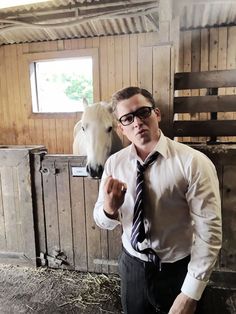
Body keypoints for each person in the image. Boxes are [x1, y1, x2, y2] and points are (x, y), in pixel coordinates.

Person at [93, 86, 222, 314]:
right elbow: (102, 221)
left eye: (144, 112)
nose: (138, 123)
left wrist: (190, 293)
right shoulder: (115, 164)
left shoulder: (193, 163)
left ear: (157, 114)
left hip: (178, 270)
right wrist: (109, 209)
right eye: (128, 118)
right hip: (132, 266)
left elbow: (208, 232)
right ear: (122, 128)